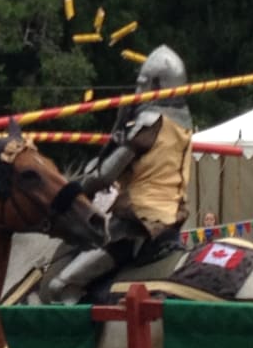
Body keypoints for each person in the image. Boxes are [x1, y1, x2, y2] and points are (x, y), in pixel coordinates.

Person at [47, 44, 193, 303]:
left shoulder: (149, 121)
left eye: (141, 84)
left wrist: (71, 190)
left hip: (135, 223)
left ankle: (86, 343)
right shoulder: (183, 122)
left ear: (156, 85)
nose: (137, 91)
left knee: (61, 286)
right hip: (171, 220)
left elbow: (103, 176)